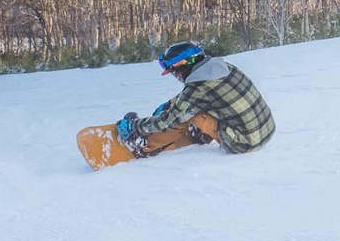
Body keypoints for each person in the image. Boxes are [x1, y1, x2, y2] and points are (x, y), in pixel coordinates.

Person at [115, 41, 276, 158]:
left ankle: (145, 146)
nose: (176, 76)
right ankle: (201, 133)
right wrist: (171, 103)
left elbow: (169, 120)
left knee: (189, 114)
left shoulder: (197, 87)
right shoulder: (222, 68)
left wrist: (135, 126)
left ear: (183, 65)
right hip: (265, 130)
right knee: (193, 107)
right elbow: (198, 97)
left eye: (174, 72)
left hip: (244, 143)